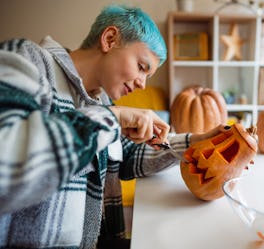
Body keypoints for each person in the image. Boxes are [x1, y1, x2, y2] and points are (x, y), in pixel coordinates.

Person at [0, 3, 226, 249]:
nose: (142, 85)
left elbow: (128, 156)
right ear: (109, 39)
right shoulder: (28, 60)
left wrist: (196, 141)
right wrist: (111, 116)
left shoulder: (103, 100)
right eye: (141, 67)